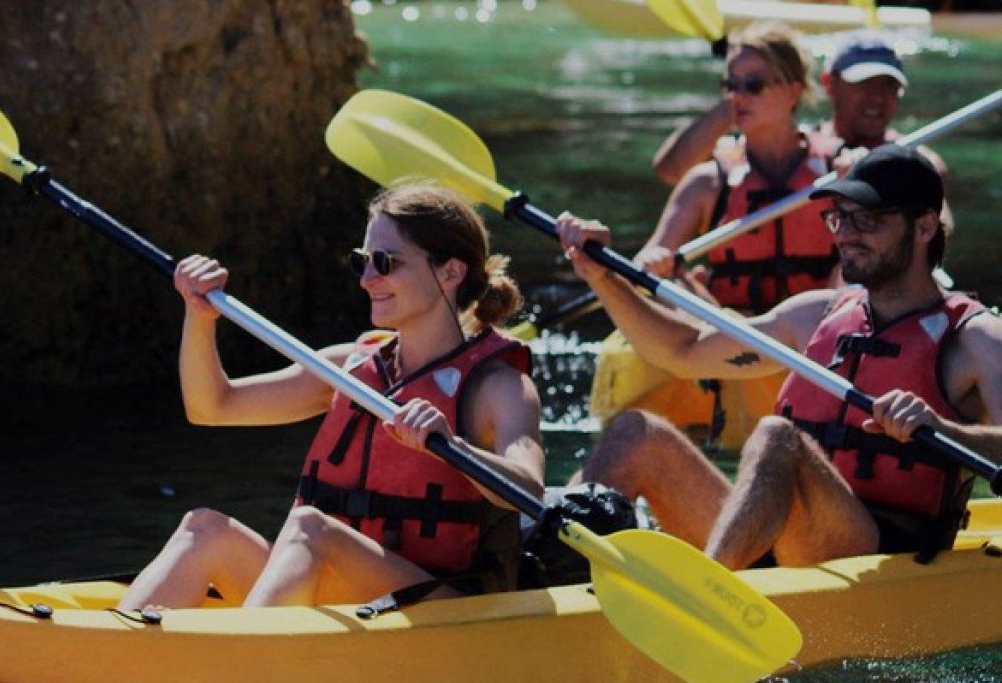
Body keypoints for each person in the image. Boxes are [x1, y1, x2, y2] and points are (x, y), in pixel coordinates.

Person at [557, 144, 1002, 570]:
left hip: (881, 553)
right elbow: (681, 350)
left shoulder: (975, 339)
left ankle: (707, 595)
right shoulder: (815, 315)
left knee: (777, 437)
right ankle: (550, 561)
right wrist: (602, 276)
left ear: (924, 227)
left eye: (866, 221)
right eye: (840, 219)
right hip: (781, 537)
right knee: (638, 434)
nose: (845, 235)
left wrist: (942, 430)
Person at [119, 181, 545, 612]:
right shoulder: (346, 369)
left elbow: (527, 489)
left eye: (385, 262)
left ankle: (241, 663)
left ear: (450, 272)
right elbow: (211, 407)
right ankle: (111, 655)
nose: (367, 279)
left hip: (441, 609)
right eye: (363, 262)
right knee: (205, 529)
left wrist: (452, 447)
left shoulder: (498, 386)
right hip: (351, 593)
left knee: (310, 527)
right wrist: (199, 316)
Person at [636, 21, 838, 314]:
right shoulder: (708, 182)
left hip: (819, 331)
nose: (738, 96)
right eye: (730, 86)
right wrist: (655, 263)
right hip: (731, 340)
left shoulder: (838, 170)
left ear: (793, 92)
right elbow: (645, 261)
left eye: (754, 85)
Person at [655, 35, 951, 225]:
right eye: (864, 85)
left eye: (888, 87)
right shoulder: (790, 147)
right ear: (829, 85)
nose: (876, 97)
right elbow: (672, 171)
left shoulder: (918, 162)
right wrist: (736, 100)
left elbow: (941, 226)